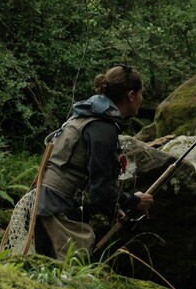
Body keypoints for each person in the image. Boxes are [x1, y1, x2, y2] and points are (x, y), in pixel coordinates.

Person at [34, 65, 153, 260]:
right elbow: (100, 191)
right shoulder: (103, 129)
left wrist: (114, 208)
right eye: (141, 93)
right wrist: (134, 201)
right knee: (71, 277)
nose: (142, 98)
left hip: (43, 205)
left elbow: (90, 182)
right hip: (55, 214)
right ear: (131, 95)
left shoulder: (87, 116)